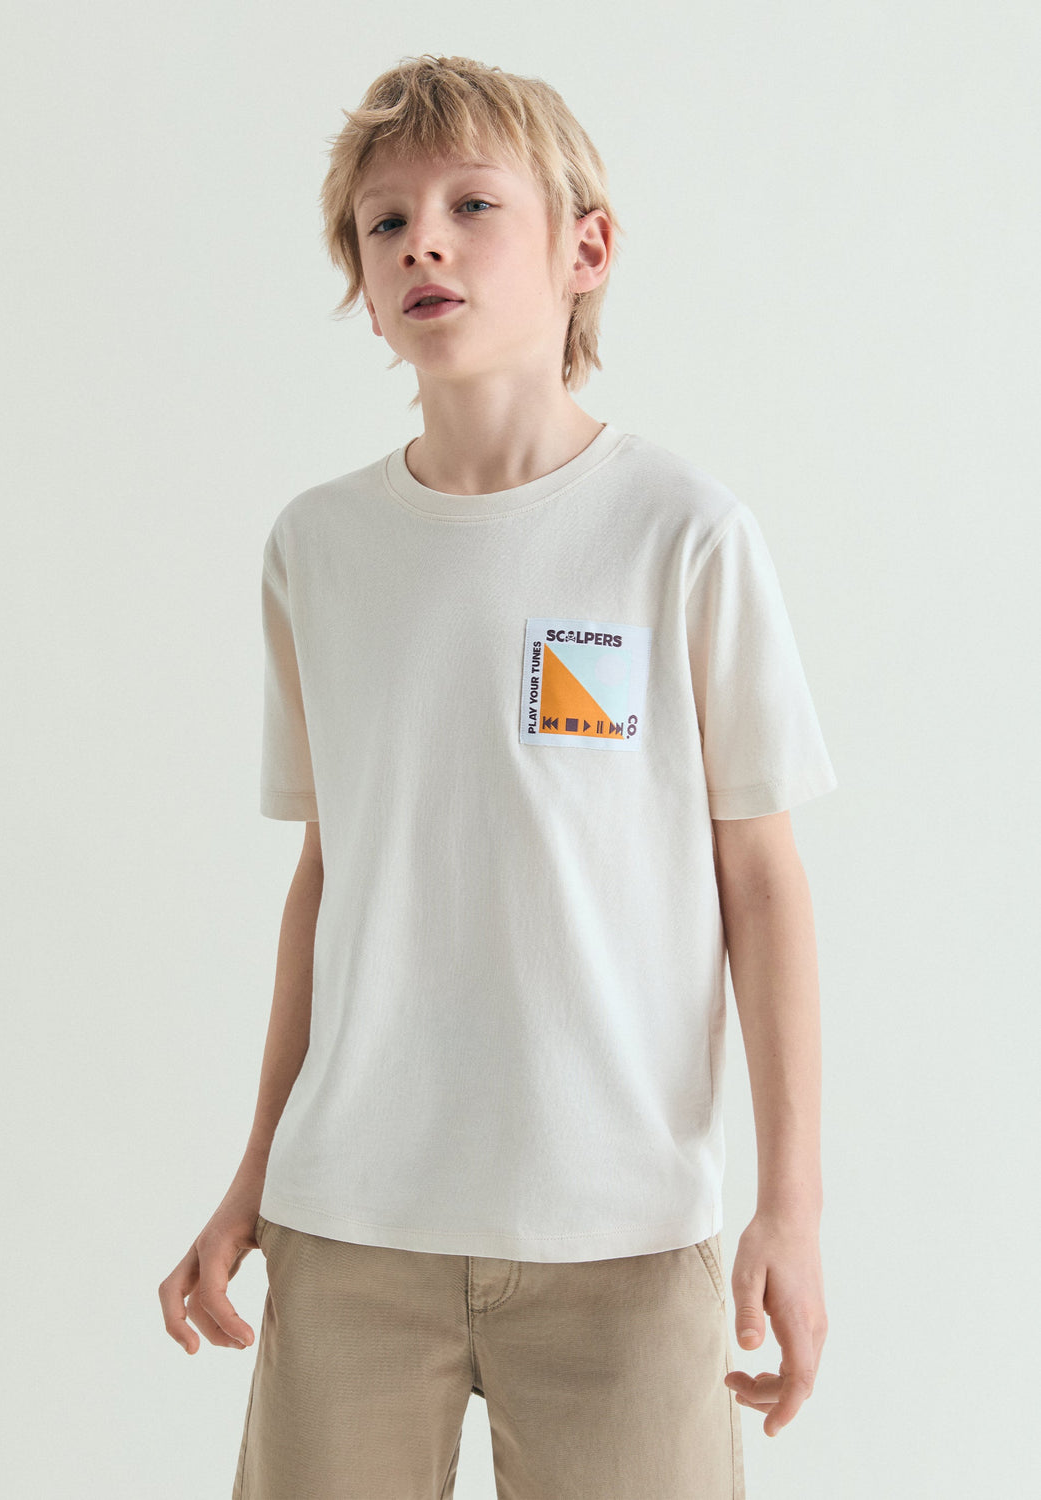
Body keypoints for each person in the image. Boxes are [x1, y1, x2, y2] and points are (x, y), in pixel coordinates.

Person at [158, 52, 837, 1500]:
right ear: (361, 280)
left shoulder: (682, 534)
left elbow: (762, 883)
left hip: (624, 1238)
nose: (424, 243)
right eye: (385, 221)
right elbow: (331, 878)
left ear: (586, 246)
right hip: (350, 1224)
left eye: (472, 205)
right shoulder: (316, 551)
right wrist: (252, 1177)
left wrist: (792, 1205)